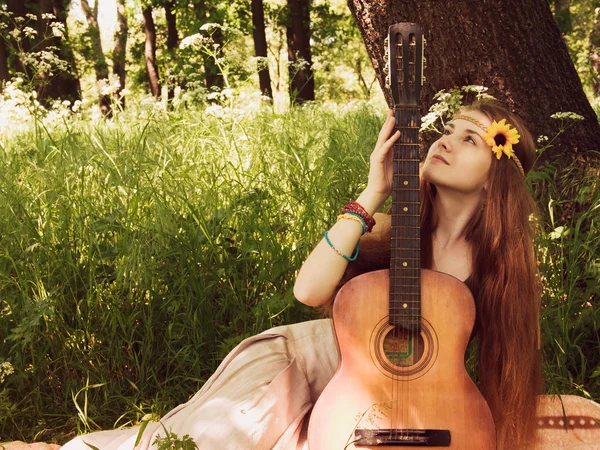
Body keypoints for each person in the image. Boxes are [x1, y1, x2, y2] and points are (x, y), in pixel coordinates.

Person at [61, 99, 541, 450]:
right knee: (198, 444)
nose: (445, 140)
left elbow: (505, 373)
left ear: (496, 176)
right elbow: (308, 291)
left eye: (470, 138)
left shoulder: (501, 270)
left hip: (374, 405)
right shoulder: (398, 231)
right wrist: (373, 193)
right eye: (449, 129)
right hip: (302, 365)